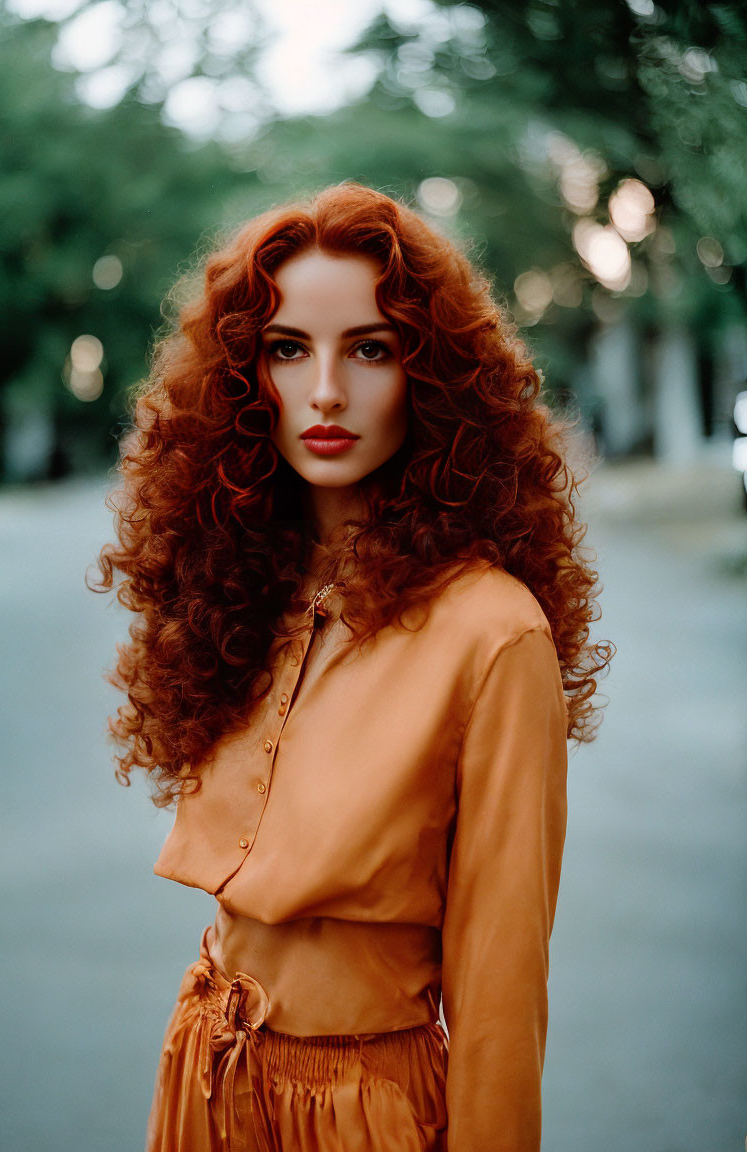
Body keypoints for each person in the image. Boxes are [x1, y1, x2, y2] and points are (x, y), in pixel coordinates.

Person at [95, 183, 612, 1152]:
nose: (324, 391)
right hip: (205, 1069)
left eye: (369, 349)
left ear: (432, 377)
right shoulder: (244, 584)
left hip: (361, 1111)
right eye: (287, 350)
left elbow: (500, 1003)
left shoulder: (493, 634)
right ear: (245, 377)